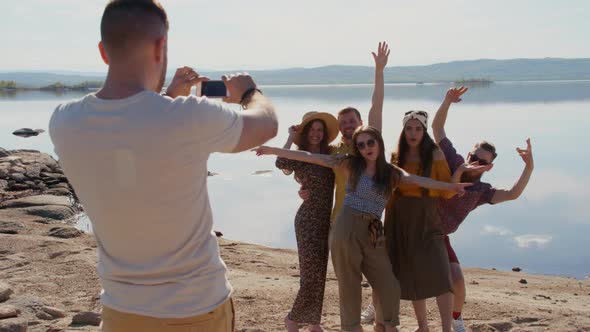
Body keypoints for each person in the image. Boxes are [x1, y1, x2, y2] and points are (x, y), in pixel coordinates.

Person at [48, 1, 277, 331]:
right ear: (160, 47)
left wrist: (169, 96)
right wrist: (249, 94)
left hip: (121, 312)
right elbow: (265, 124)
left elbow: (132, 130)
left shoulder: (64, 122)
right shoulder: (188, 117)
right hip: (198, 311)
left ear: (103, 51)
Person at [254, 126, 469, 332]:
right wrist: (272, 150)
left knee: (389, 283)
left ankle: (389, 325)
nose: (367, 147)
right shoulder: (350, 164)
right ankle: (352, 328)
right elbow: (312, 157)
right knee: (350, 284)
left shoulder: (391, 173)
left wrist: (451, 187)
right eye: (362, 144)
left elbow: (419, 180)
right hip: (347, 225)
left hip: (374, 229)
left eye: (370, 142)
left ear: (379, 143)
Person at [431, 87, 534, 332]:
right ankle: (375, 305)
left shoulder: (481, 191)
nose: (476, 162)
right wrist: (447, 102)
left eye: (483, 161)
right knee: (396, 273)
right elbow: (437, 129)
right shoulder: (454, 161)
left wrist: (529, 167)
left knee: (458, 282)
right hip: (417, 228)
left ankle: (456, 320)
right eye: (474, 156)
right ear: (469, 154)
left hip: (440, 237)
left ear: (490, 166)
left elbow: (513, 194)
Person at [385, 110, 465, 332]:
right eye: (409, 128)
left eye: (418, 129)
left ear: (424, 130)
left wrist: (458, 175)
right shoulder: (395, 154)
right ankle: (423, 327)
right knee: (411, 274)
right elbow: (391, 189)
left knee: (441, 274)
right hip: (399, 218)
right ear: (403, 129)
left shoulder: (436, 155)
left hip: (428, 218)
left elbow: (446, 192)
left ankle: (446, 328)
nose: (413, 133)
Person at [299, 42, 390, 222]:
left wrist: (379, 71)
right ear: (339, 127)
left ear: (361, 123)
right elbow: (313, 170)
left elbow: (376, 106)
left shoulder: (371, 144)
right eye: (344, 123)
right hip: (339, 219)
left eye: (352, 121)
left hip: (368, 219)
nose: (348, 125)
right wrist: (304, 187)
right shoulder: (332, 151)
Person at [276, 111, 339, 332]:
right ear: (305, 132)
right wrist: (290, 137)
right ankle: (292, 320)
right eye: (311, 129)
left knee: (320, 273)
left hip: (325, 220)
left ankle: (314, 323)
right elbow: (281, 161)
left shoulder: (330, 153)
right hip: (308, 220)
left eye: (319, 130)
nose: (316, 133)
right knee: (310, 275)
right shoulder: (300, 155)